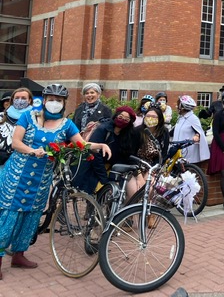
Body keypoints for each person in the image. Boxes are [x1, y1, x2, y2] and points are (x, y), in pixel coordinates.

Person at [0, 84, 111, 278]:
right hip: (17, 175)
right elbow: (16, 142)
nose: (54, 103)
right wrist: (31, 150)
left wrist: (99, 145)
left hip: (41, 179)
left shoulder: (66, 124)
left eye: (58, 100)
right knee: (10, 215)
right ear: (44, 100)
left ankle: (19, 255)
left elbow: (81, 143)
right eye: (51, 99)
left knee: (31, 216)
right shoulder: (28, 117)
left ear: (63, 103)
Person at [73, 105, 138, 195]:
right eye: (120, 117)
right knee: (93, 195)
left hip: (112, 170)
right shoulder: (103, 129)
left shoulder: (129, 136)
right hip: (94, 169)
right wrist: (104, 179)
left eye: (126, 119)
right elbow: (94, 154)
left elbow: (124, 156)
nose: (122, 120)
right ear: (116, 116)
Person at [133, 104, 170, 193]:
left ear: (160, 119)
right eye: (148, 116)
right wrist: (138, 174)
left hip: (153, 167)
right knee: (135, 191)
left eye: (154, 117)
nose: (150, 118)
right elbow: (130, 154)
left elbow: (163, 154)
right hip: (135, 165)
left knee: (149, 189)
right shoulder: (137, 131)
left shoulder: (164, 132)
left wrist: (152, 170)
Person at [0, 88, 33, 169]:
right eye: (17, 98)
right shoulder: (1, 116)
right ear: (12, 100)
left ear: (29, 100)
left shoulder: (35, 119)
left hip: (24, 163)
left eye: (23, 98)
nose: (20, 100)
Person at [172, 95, 209, 164]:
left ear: (183, 107)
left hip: (189, 154)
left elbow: (199, 132)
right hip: (177, 152)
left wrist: (197, 135)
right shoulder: (181, 117)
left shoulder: (193, 118)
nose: (176, 107)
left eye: (178, 105)